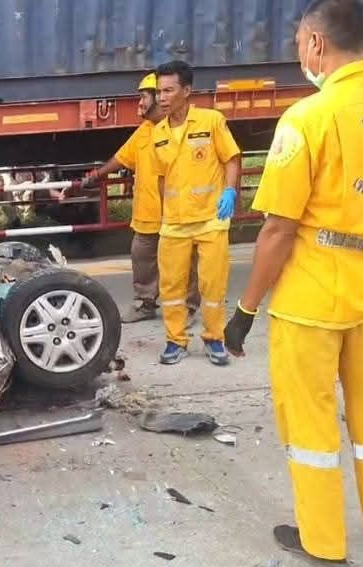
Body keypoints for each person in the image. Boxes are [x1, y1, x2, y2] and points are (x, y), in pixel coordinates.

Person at [223, 0, 363, 567]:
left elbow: (278, 229)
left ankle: (323, 540)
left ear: (317, 43)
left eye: (300, 42)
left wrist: (245, 309)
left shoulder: (308, 118)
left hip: (313, 301)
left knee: (310, 421)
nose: (299, 52)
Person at [68, 74, 200, 324]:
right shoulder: (145, 131)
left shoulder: (184, 129)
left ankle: (187, 308)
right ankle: (144, 304)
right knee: (142, 259)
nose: (139, 103)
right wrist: (94, 176)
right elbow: (121, 159)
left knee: (184, 261)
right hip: (147, 214)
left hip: (179, 212)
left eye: (144, 97)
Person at [150, 60, 242, 366]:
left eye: (168, 91)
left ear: (186, 91)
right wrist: (164, 213)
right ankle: (175, 340)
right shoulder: (158, 132)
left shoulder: (211, 120)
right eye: (159, 92)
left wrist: (230, 191)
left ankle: (214, 338)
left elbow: (231, 159)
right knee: (171, 288)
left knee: (212, 285)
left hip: (210, 220)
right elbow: (161, 178)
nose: (162, 97)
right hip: (174, 223)